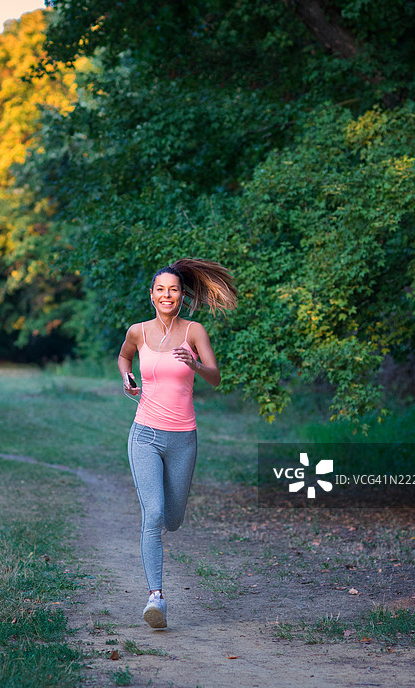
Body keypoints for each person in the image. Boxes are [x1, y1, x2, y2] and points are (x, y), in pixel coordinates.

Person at [118, 258, 237, 628]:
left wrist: (196, 364)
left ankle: (157, 589)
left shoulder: (194, 332)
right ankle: (156, 598)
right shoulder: (137, 331)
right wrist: (127, 377)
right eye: (160, 289)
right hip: (145, 434)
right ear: (151, 295)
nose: (166, 295)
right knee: (152, 515)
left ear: (182, 296)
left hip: (184, 439)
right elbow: (123, 356)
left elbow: (215, 377)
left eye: (173, 289)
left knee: (173, 518)